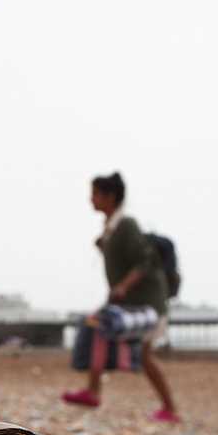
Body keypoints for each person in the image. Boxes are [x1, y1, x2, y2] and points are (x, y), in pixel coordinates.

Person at [63, 172, 179, 422]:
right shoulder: (112, 227)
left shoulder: (126, 224)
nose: (90, 199)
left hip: (148, 303)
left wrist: (123, 286)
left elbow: (145, 261)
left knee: (133, 347)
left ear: (109, 196)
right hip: (131, 302)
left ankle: (168, 408)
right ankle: (95, 391)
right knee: (100, 326)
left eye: (94, 193)